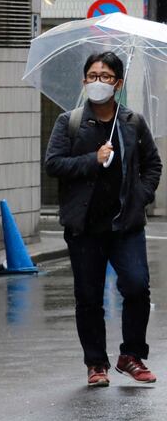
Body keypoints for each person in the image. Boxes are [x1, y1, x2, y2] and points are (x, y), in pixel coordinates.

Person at [45, 51, 162, 387]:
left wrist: (140, 197)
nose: (98, 82)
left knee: (137, 287)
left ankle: (131, 355)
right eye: (93, 76)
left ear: (118, 84)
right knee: (88, 296)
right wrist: (92, 159)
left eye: (106, 77)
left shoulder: (132, 122)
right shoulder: (69, 122)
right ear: (84, 81)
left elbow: (152, 165)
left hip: (125, 225)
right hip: (84, 227)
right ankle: (96, 363)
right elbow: (53, 164)